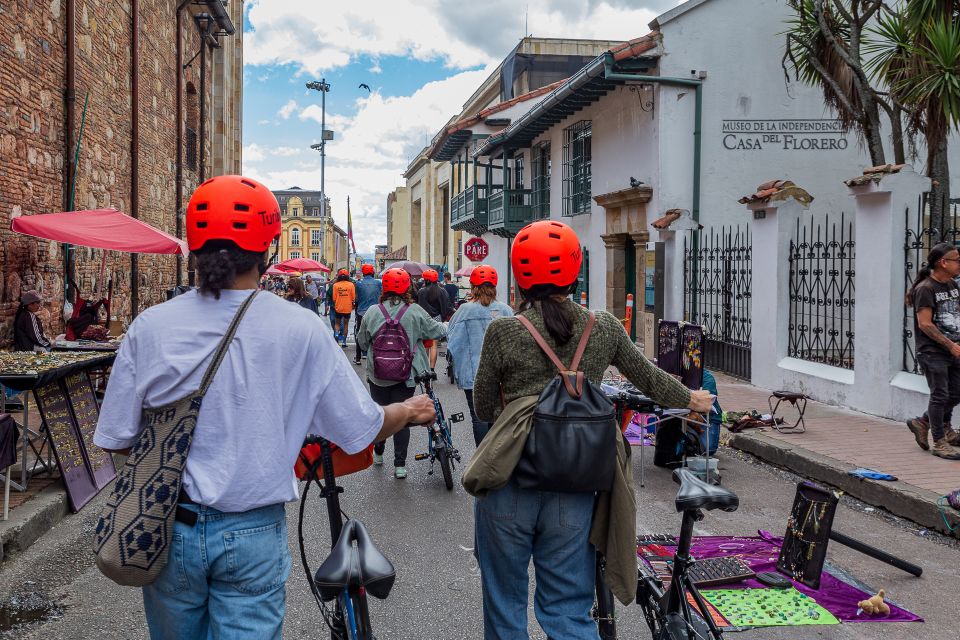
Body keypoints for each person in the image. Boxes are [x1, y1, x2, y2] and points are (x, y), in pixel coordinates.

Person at [92, 175, 436, 640]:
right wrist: (411, 411)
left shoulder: (150, 327)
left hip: (169, 526)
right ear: (267, 248)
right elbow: (360, 428)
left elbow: (115, 438)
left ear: (195, 247)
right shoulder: (300, 328)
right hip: (251, 532)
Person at [471, 220, 713, 639]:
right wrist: (693, 400)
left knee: (504, 604)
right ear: (574, 269)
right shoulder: (603, 326)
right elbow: (650, 379)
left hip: (510, 481)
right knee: (568, 610)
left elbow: (484, 406)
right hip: (577, 483)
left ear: (518, 275)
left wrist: (521, 408)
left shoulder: (503, 330)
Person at [357, 267, 446, 479]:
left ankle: (378, 453)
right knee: (404, 416)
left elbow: (361, 341)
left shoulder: (372, 312)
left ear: (383, 288)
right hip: (406, 375)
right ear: (408, 287)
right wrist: (445, 325)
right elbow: (437, 332)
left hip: (378, 375)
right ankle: (399, 465)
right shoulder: (414, 311)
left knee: (380, 413)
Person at [905, 242, 960, 459]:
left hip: (953, 349)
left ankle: (923, 422)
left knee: (956, 392)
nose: (959, 263)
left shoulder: (952, 286)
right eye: (956, 259)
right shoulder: (926, 289)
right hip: (932, 352)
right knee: (940, 395)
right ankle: (939, 441)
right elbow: (925, 324)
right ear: (942, 262)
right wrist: (950, 345)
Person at [446, 265, 513, 446]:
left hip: (472, 374)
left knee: (478, 418)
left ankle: (482, 461)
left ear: (473, 287)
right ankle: (496, 458)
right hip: (501, 375)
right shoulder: (506, 310)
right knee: (498, 417)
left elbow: (451, 338)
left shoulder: (464, 310)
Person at [416, 268, 452, 371]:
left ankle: (424, 369)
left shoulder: (421, 291)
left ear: (426, 280)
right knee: (434, 345)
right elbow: (445, 307)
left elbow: (419, 307)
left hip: (424, 319)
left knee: (425, 345)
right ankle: (432, 369)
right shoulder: (442, 291)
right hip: (437, 319)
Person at [354, 264, 382, 364]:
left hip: (361, 312)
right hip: (375, 312)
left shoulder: (358, 284)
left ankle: (357, 357)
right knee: (376, 334)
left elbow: (356, 299)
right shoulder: (378, 283)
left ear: (363, 273)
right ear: (373, 273)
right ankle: (376, 357)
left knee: (359, 333)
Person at [331, 269, 356, 347]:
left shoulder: (335, 285)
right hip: (347, 307)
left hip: (338, 307)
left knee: (337, 323)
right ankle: (344, 342)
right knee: (346, 324)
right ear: (347, 276)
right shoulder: (351, 285)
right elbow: (353, 297)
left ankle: (336, 335)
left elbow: (334, 298)